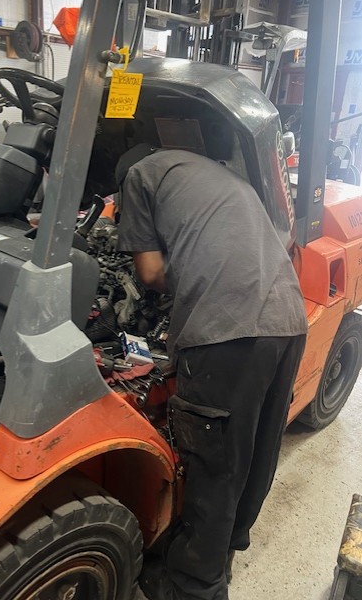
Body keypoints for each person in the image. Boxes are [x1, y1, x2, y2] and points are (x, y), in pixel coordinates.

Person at [115, 145, 308, 600]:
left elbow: (151, 270)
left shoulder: (139, 176)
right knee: (254, 453)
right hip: (287, 320)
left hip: (227, 331)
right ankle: (223, 555)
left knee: (214, 465)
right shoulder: (219, 175)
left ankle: (194, 588)